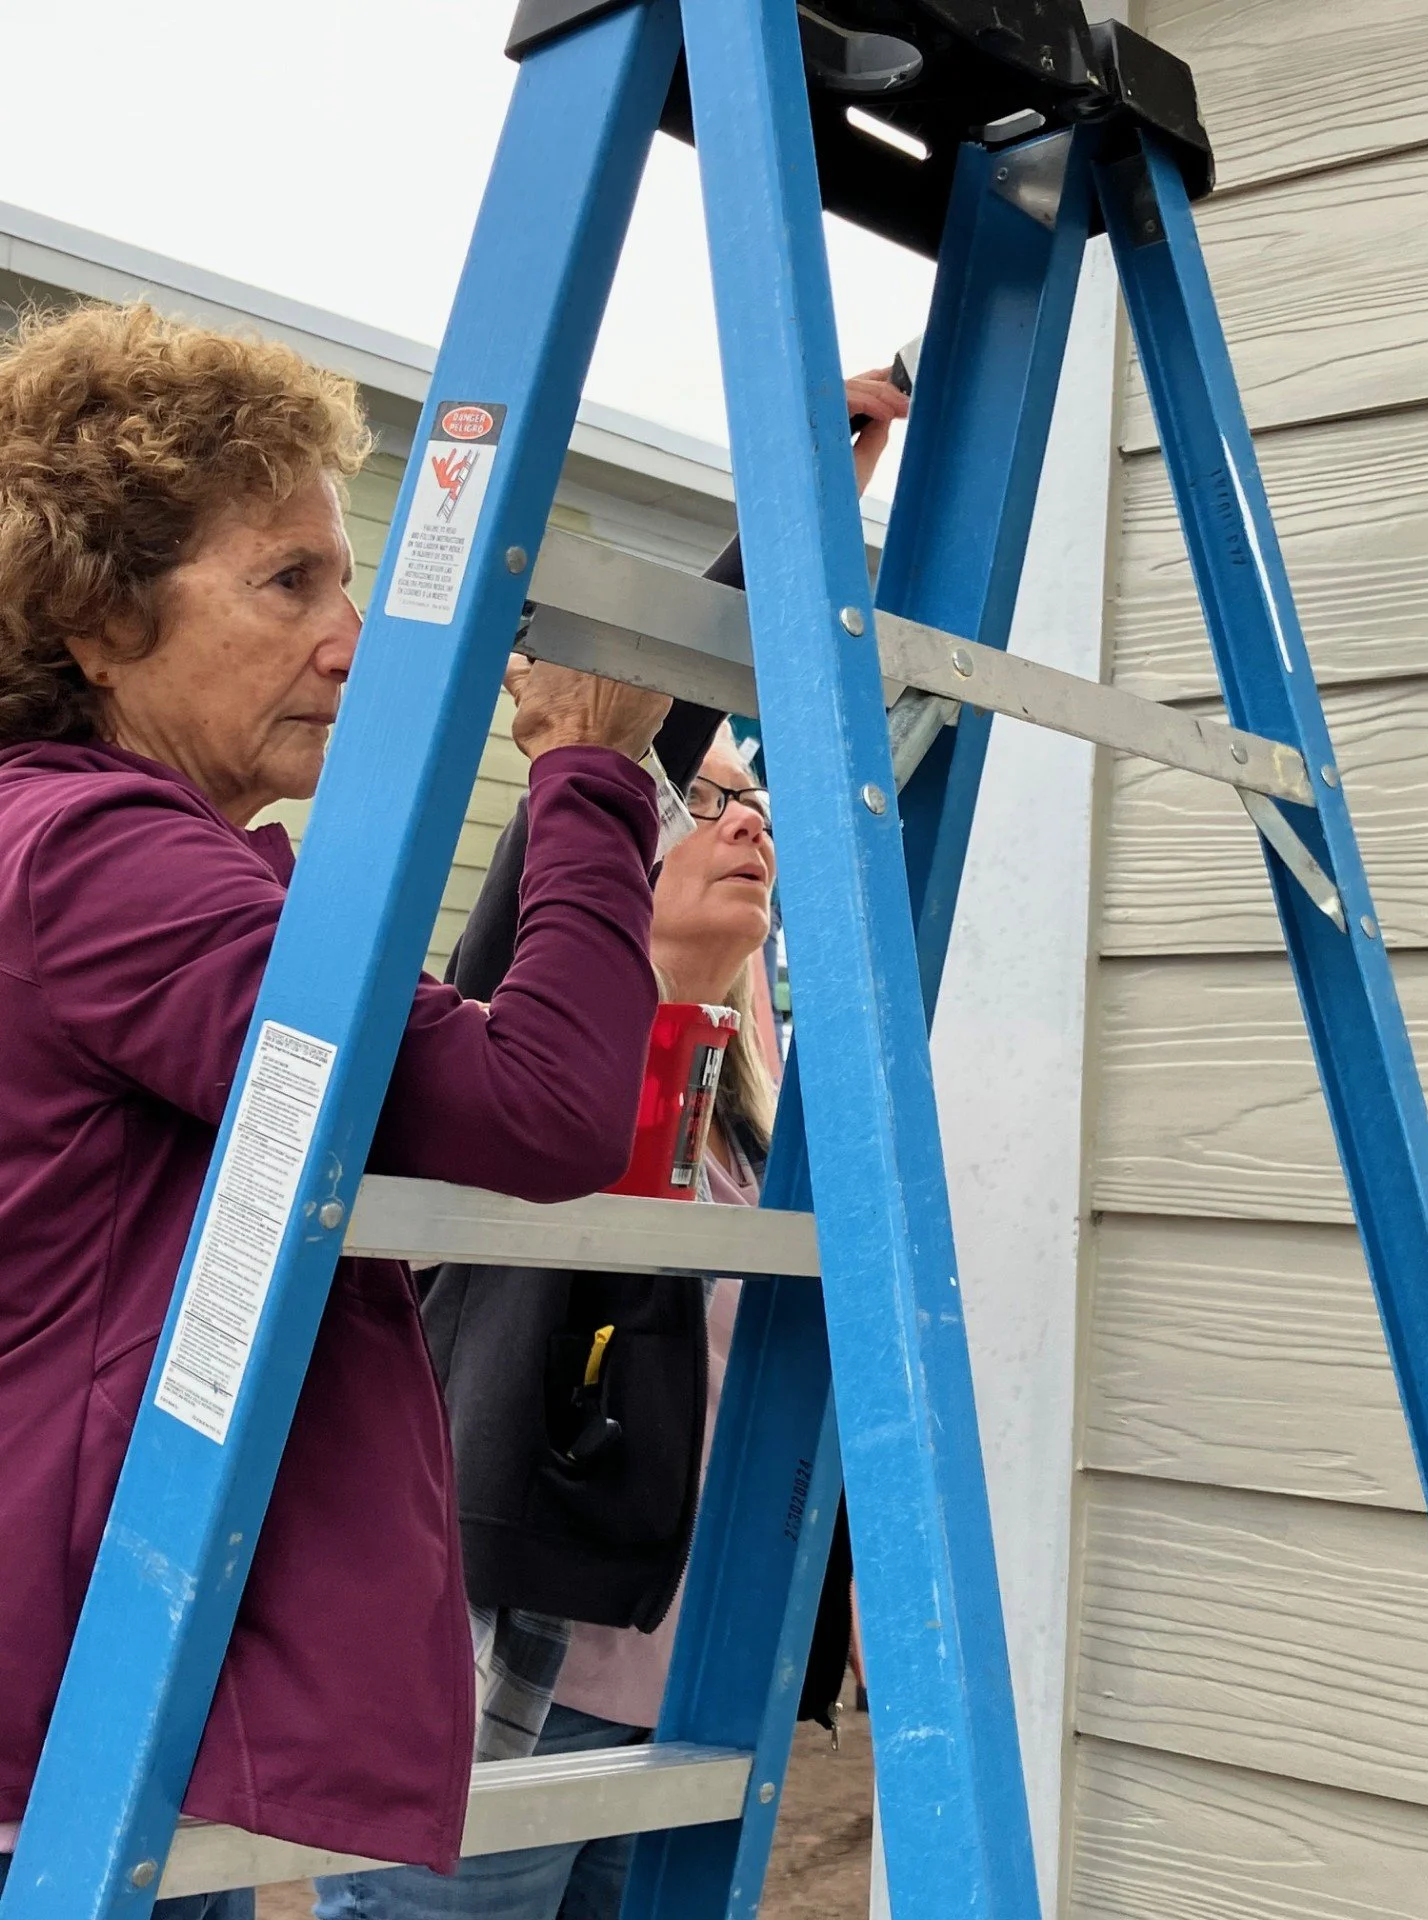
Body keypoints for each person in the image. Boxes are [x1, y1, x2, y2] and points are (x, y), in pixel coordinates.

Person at [0, 302, 674, 1915]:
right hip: (67, 1714)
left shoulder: (101, 852)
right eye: (287, 581)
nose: (354, 639)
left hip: (96, 1667)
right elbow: (539, 1108)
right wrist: (587, 770)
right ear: (94, 616)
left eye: (348, 580)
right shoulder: (104, 867)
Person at [312, 368, 909, 1920]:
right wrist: (793, 484)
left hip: (692, 1656)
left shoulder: (761, 1067)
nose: (744, 822)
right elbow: (642, 719)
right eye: (701, 800)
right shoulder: (539, 1002)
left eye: (754, 803)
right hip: (524, 1644)